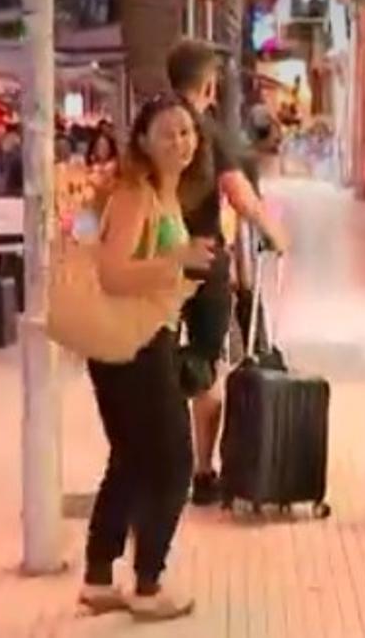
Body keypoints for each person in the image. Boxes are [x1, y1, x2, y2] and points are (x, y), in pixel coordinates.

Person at [79, 94, 216, 620]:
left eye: (186, 132)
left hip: (132, 340)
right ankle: (148, 582)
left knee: (131, 456)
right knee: (174, 460)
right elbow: (112, 274)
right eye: (167, 134)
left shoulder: (163, 192)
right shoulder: (136, 194)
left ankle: (97, 576)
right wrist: (176, 261)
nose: (180, 142)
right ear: (141, 141)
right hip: (134, 343)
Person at [166, 40, 289, 505]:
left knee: (152, 361)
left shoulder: (147, 127)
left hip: (151, 263)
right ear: (209, 84)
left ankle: (151, 463)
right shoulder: (208, 132)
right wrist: (275, 233)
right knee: (205, 365)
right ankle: (201, 471)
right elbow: (239, 195)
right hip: (201, 262)